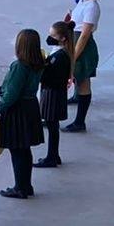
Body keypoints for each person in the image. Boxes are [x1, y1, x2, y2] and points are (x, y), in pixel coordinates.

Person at [0, 29, 44, 199]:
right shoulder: (38, 62)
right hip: (30, 106)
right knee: (24, 149)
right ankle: (25, 185)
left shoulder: (19, 66)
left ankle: (20, 187)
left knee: (17, 150)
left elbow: (11, 93)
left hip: (18, 110)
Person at [67, 0, 103, 130]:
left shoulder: (92, 7)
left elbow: (84, 35)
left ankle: (79, 121)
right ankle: (76, 97)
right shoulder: (82, 1)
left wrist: (73, 56)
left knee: (83, 82)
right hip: (74, 39)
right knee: (77, 76)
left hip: (82, 45)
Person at [38, 20, 74, 169]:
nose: (50, 37)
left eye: (53, 35)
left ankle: (52, 157)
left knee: (52, 126)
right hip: (54, 93)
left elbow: (52, 77)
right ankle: (54, 155)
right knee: (52, 126)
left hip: (53, 94)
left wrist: (42, 69)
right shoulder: (58, 53)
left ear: (62, 38)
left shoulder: (59, 57)